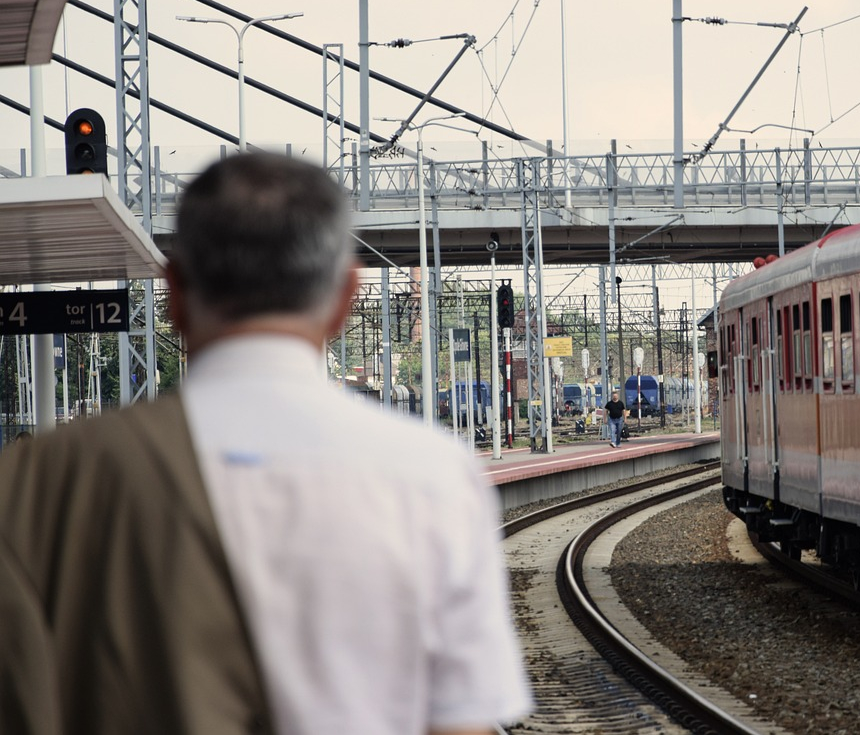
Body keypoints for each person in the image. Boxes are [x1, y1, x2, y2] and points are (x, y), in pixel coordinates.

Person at [0, 153, 531, 735]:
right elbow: (460, 724)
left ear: (173, 289)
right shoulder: (435, 475)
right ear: (345, 297)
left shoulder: (37, 480)